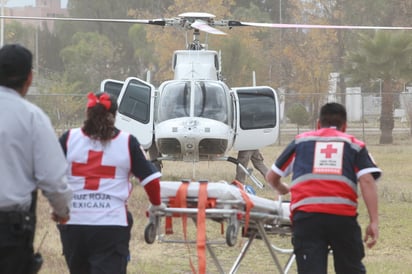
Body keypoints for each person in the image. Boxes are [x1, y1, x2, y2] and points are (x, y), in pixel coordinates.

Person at [265, 102, 381, 274]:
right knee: (350, 268)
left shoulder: (300, 142)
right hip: (343, 219)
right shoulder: (354, 145)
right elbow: (367, 181)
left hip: (307, 219)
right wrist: (374, 221)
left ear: (318, 123)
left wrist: (282, 189)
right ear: (345, 126)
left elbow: (272, 177)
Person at [58, 92, 164, 274]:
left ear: (87, 113)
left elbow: (49, 176)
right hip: (111, 225)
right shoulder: (127, 142)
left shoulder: (69, 138)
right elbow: (151, 180)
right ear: (114, 116)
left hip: (74, 223)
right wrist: (156, 204)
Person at [0, 44, 72, 274]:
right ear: (29, 78)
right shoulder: (32, 117)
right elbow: (52, 178)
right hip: (9, 232)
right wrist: (62, 210)